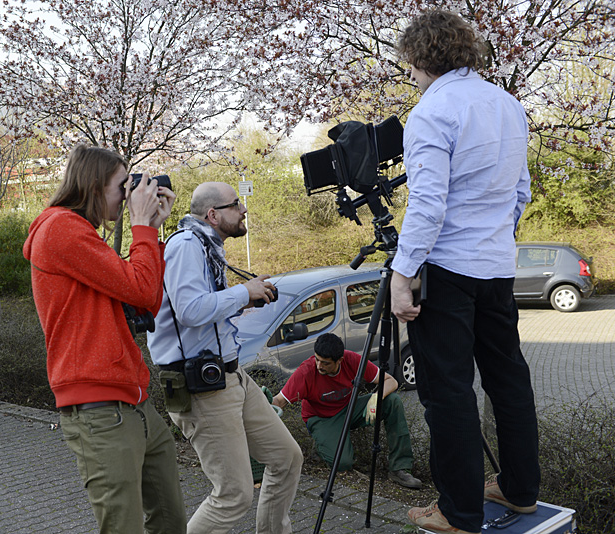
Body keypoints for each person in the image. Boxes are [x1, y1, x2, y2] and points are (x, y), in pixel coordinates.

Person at [390, 9, 539, 534]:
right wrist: (497, 236)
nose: (409, 73)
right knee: (508, 379)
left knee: (447, 390)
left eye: (409, 63)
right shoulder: (508, 104)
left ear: (422, 57)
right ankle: (521, 489)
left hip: (447, 267)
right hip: (497, 266)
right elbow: (520, 190)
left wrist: (401, 274)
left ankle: (458, 512)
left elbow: (428, 202)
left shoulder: (432, 112)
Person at [23, 145, 186, 533]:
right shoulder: (61, 229)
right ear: (95, 186)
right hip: (100, 409)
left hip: (133, 401)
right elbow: (143, 290)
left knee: (171, 522)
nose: (129, 195)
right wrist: (142, 227)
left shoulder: (83, 235)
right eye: (122, 185)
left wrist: (152, 231)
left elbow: (147, 302)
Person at [147, 181, 304, 534]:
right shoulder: (187, 245)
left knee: (286, 458)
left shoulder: (207, 244)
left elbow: (202, 314)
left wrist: (246, 299)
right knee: (234, 494)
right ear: (213, 214)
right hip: (203, 388)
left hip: (232, 377)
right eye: (236, 205)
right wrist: (241, 292)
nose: (244, 209)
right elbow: (188, 310)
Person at [272, 333, 422, 489]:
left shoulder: (352, 360)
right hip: (322, 418)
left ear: (340, 361)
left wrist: (377, 398)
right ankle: (322, 446)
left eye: (325, 363)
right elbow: (279, 401)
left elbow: (391, 381)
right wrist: (265, 402)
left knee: (392, 401)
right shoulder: (306, 372)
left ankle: (399, 468)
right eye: (317, 360)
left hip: (350, 409)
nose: (319, 366)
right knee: (343, 463)